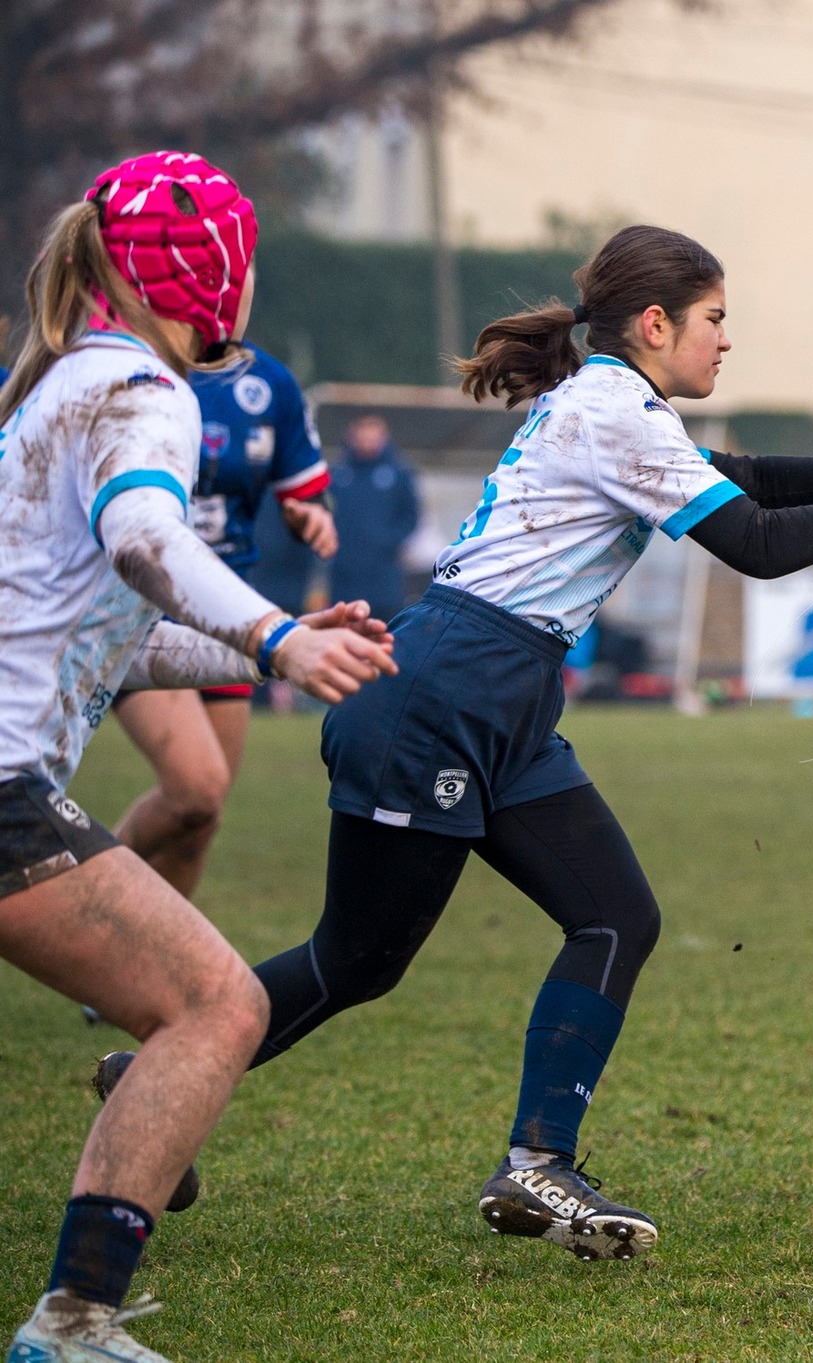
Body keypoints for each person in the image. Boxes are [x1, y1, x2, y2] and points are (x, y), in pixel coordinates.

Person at [102, 224, 813, 1265]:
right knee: (357, 962)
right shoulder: (613, 408)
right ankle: (157, 1074)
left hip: (504, 703)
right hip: (440, 696)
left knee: (615, 917)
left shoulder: (619, 403)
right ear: (655, 325)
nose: (725, 343)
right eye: (714, 322)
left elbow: (744, 476)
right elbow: (751, 544)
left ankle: (535, 1162)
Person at [0, 152, 394, 1362]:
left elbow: (90, 635)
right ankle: (73, 1321)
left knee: (196, 1004)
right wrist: (269, 636)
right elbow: (143, 539)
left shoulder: (63, 381)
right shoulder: (141, 395)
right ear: (215, 276)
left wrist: (258, 641)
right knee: (219, 1005)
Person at [109, 340, 336, 895]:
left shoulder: (269, 383)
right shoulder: (120, 366)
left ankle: (148, 968)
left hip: (229, 611)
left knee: (198, 822)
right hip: (135, 610)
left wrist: (308, 514)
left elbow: (304, 491)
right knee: (197, 788)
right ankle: (81, 895)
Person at [328, 413, 419, 621]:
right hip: (344, 576)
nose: (366, 442)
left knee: (385, 634)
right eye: (362, 436)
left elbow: (411, 517)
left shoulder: (398, 474)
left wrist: (387, 541)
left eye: (372, 436)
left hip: (384, 576)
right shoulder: (337, 475)